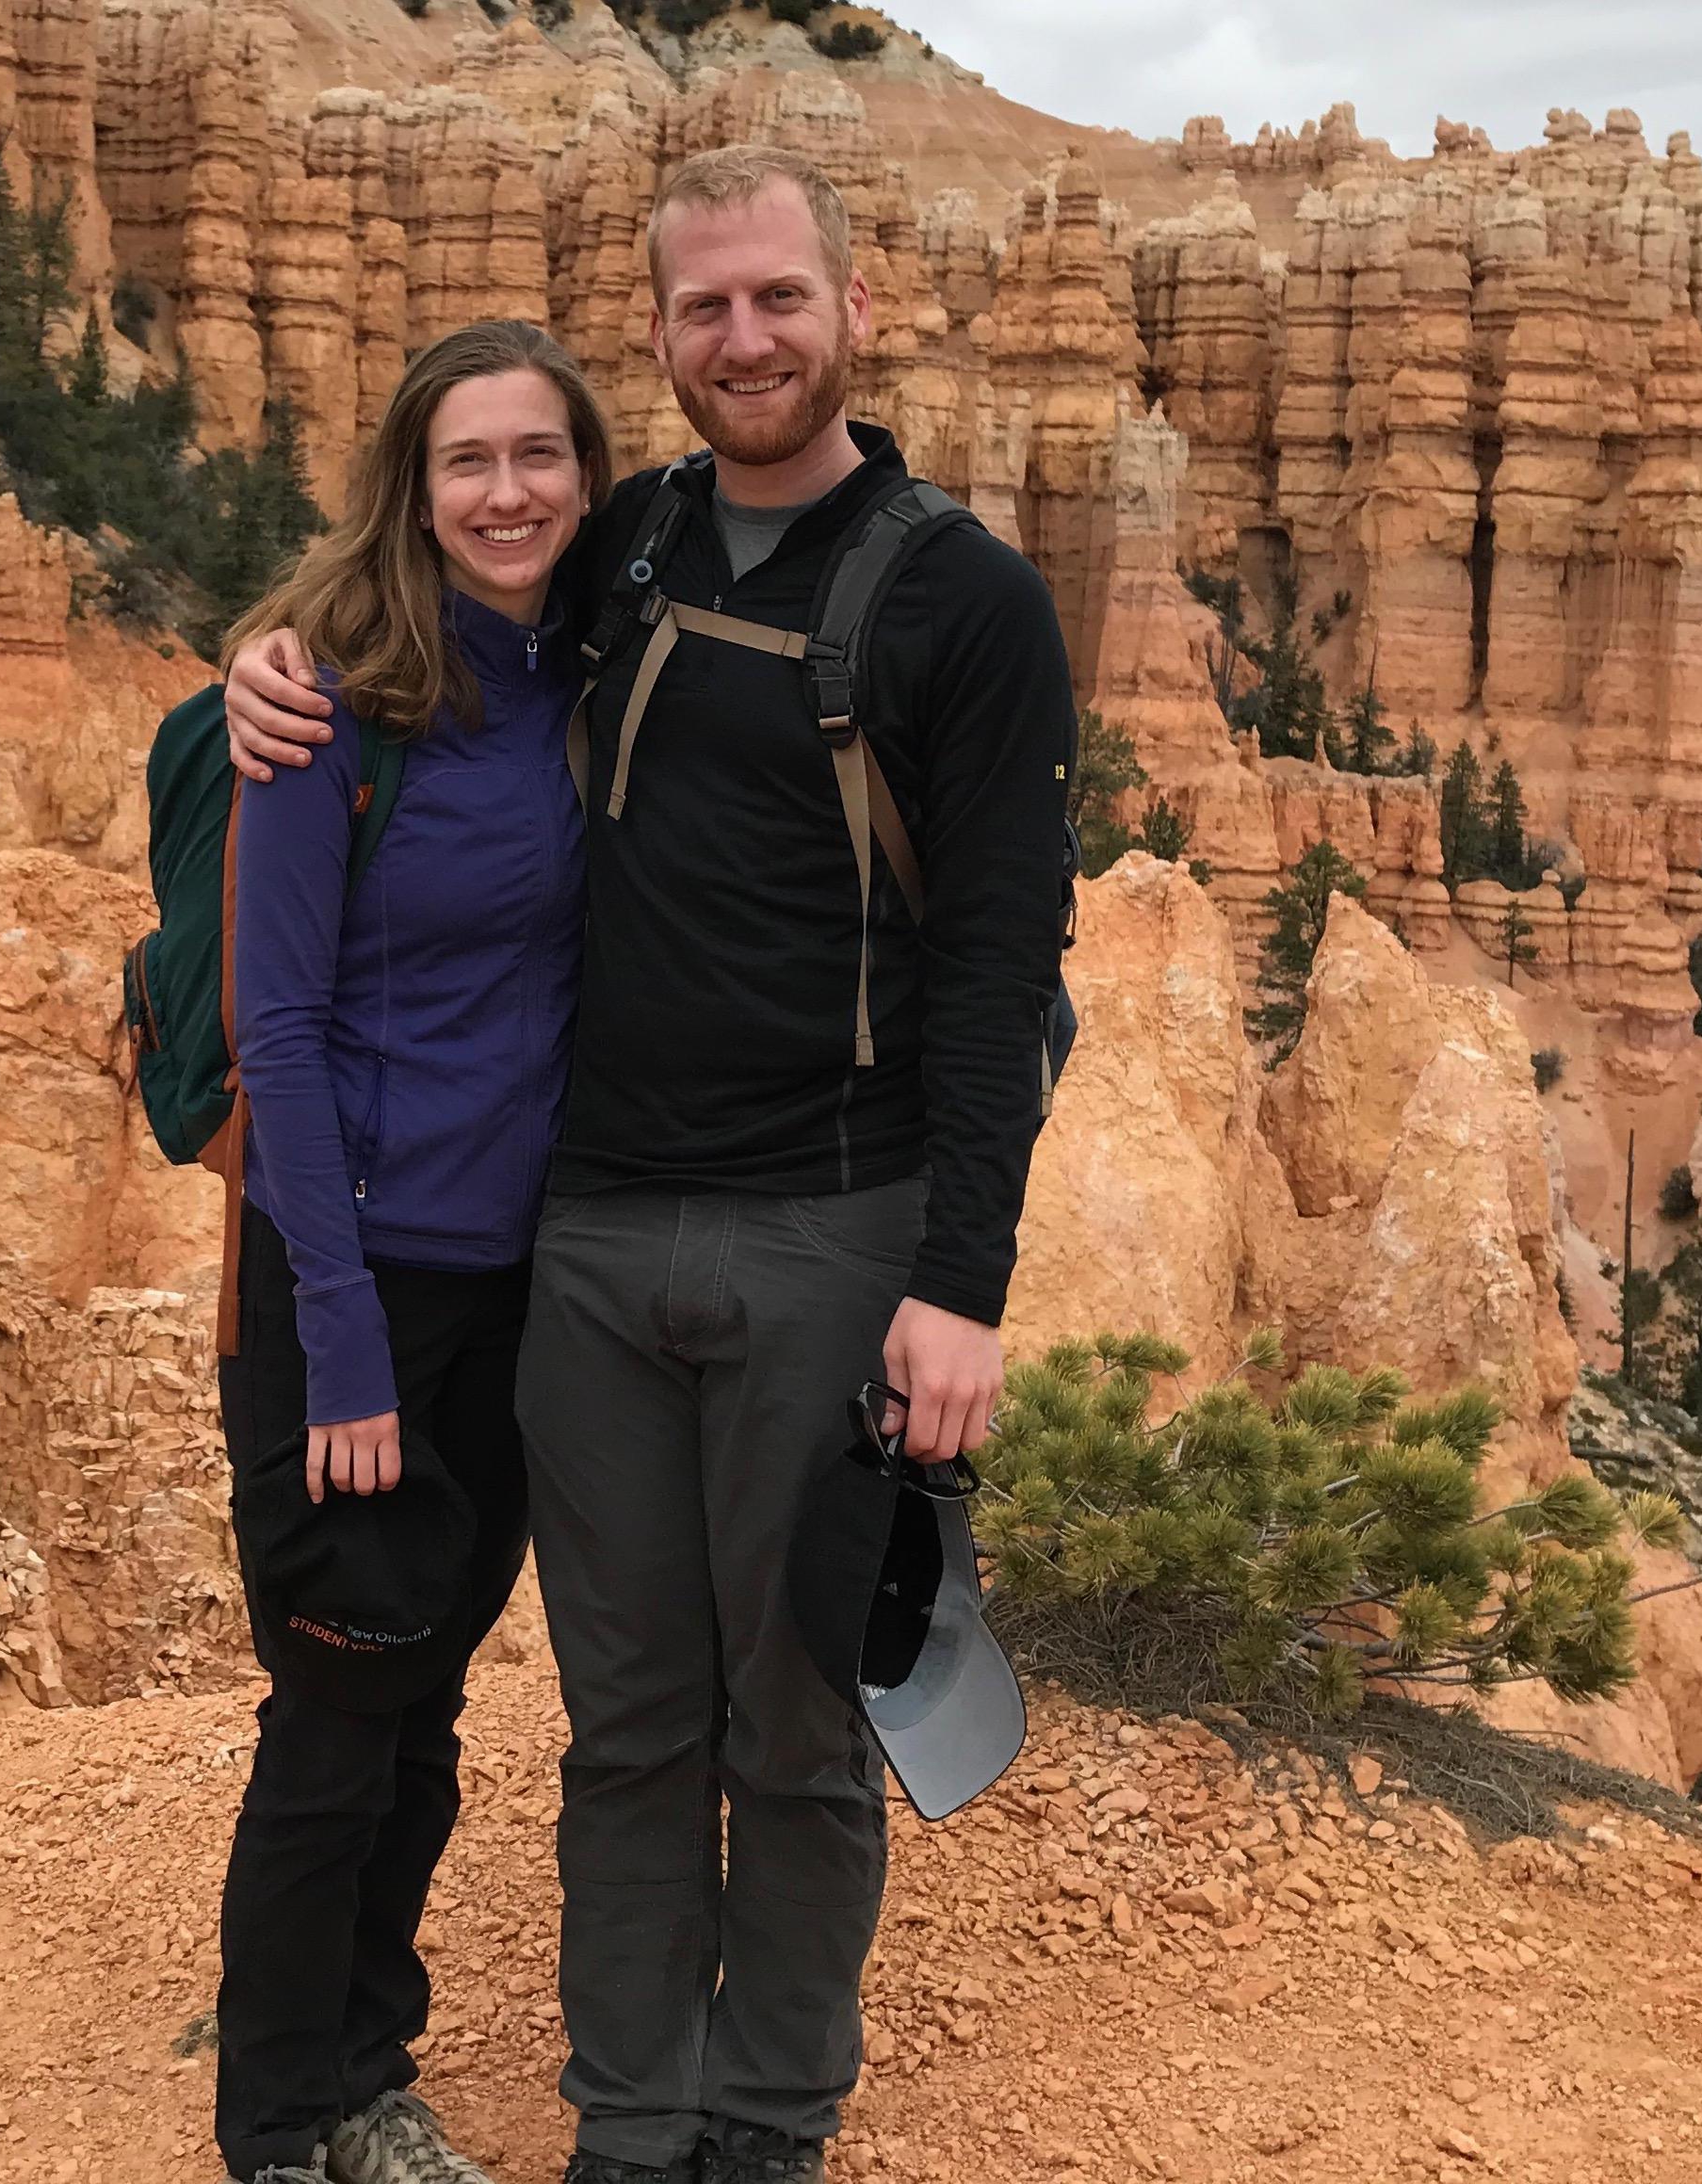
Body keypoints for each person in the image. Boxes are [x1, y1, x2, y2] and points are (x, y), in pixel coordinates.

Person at [227, 145, 1075, 2184]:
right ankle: (633, 2123)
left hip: (833, 1232)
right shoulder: (633, 543)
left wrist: (964, 1280)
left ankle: (764, 2126)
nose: (745, 340)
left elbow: (998, 971)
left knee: (794, 1731)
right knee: (623, 1730)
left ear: (855, 307)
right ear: (668, 338)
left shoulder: (966, 600)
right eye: (704, 309)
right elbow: (420, 614)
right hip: (588, 1247)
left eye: (779, 299)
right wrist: (253, 674)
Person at [216, 317, 609, 2184]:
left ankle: (366, 2066)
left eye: (542, 456)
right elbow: (275, 1031)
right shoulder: (327, 702)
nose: (509, 492)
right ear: (412, 481)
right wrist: (342, 1337)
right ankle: (282, 2117)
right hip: (348, 1283)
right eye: (471, 461)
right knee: (339, 1704)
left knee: (426, 1697)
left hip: (517, 1292)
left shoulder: (581, 671)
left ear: (588, 478)